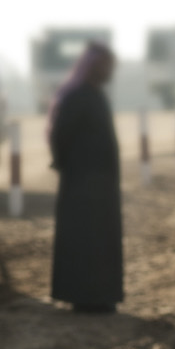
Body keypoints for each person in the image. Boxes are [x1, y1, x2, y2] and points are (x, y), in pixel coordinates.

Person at [48, 42, 123, 313]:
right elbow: (60, 137)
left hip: (101, 185)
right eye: (106, 65)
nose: (110, 71)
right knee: (83, 241)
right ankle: (84, 299)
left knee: (102, 243)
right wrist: (72, 168)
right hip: (81, 184)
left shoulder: (94, 95)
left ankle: (102, 298)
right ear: (93, 66)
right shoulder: (77, 96)